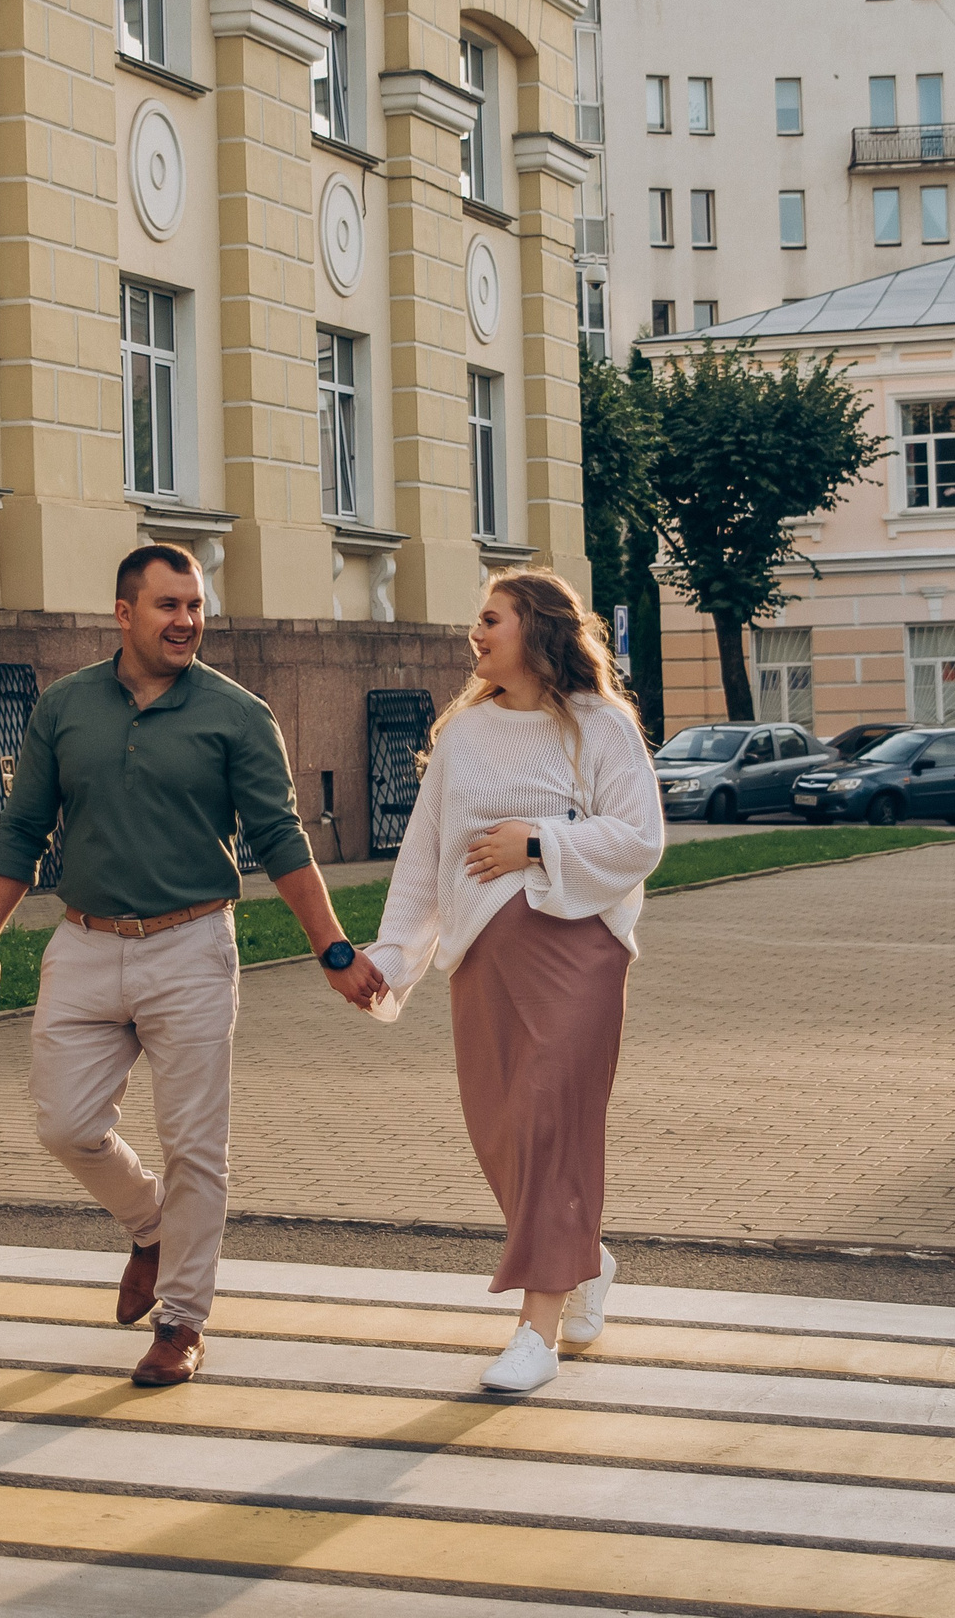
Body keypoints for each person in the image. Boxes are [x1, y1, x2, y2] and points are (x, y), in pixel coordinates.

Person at [0, 543, 384, 1387]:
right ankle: (150, 1227)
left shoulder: (237, 713)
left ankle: (182, 1321)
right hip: (82, 943)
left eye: (195, 606)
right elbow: (21, 830)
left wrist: (331, 947)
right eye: (168, 606)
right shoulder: (65, 706)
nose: (187, 621)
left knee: (196, 1145)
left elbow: (280, 839)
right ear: (124, 614)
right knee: (65, 1125)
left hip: (191, 946)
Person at [361, 567, 663, 1394]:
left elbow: (640, 839)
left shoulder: (599, 725)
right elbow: (423, 857)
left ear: (537, 627)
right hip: (485, 962)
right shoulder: (462, 734)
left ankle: (537, 1331)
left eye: (491, 618)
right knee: (502, 1134)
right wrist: (390, 959)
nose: (477, 634)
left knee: (545, 1122)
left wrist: (538, 843)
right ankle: (585, 1259)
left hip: (576, 956)